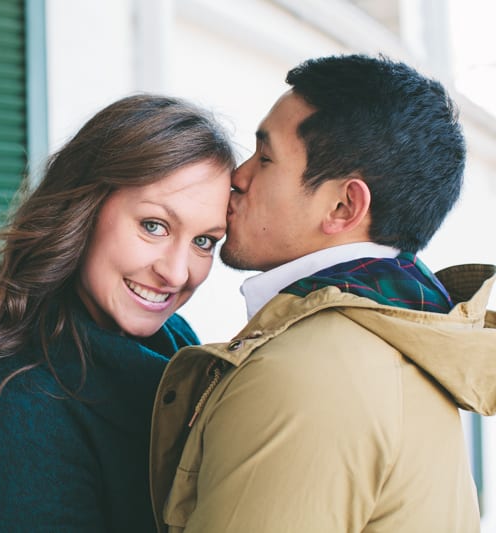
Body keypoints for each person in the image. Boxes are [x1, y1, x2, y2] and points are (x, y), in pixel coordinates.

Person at [150, 54, 496, 532]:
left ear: (343, 204)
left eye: (265, 158)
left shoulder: (306, 374)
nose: (238, 177)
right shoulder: (398, 335)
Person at [0, 94, 236, 532]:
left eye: (204, 241)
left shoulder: (174, 339)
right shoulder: (17, 395)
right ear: (86, 209)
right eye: (153, 225)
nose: (176, 272)